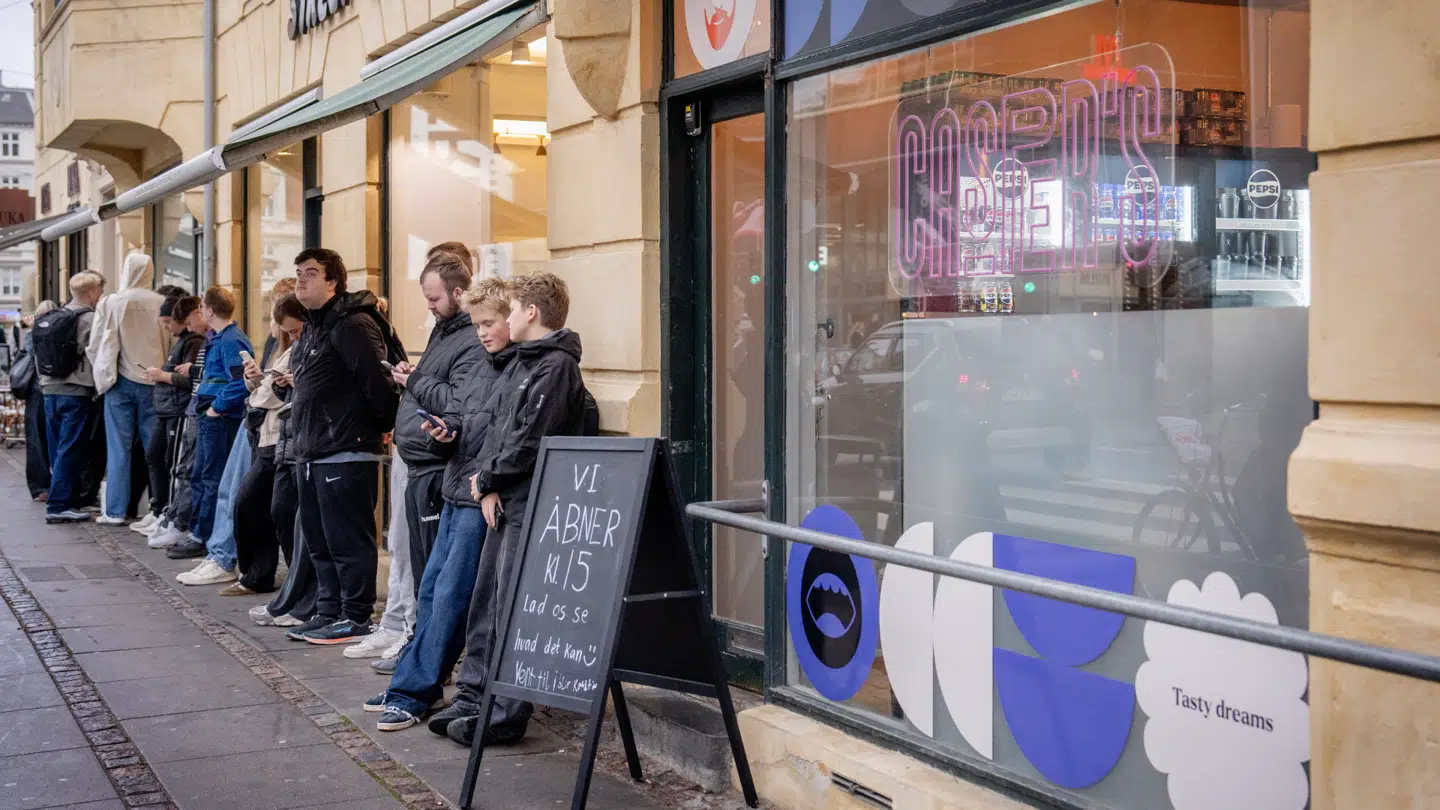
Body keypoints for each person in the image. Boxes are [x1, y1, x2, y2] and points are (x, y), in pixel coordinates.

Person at [435, 273, 587, 746]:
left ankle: (502, 715)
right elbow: (501, 431)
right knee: (487, 603)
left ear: (530, 313)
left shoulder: (555, 366)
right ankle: (473, 696)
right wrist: (487, 485)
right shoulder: (522, 362)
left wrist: (487, 478)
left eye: (513, 308)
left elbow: (530, 439)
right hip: (503, 499)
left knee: (512, 608)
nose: (504, 318)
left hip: (529, 502)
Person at [365, 277, 512, 730]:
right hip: (457, 483)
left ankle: (413, 692)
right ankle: (413, 684)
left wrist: (487, 477)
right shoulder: (483, 359)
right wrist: (448, 430)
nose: (482, 331)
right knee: (431, 592)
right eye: (478, 322)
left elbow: (511, 435)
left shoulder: (515, 366)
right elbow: (464, 415)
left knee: (448, 596)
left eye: (488, 323)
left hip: (476, 493)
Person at [285, 248, 404, 645]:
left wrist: (380, 426)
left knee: (347, 540)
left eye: (312, 273)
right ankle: (328, 610)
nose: (301, 279)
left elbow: (378, 383)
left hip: (345, 448)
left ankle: (355, 616)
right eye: (299, 272)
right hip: (312, 449)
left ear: (333, 282)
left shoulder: (352, 324)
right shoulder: (314, 326)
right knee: (319, 540)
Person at [166, 287, 252, 581]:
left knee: (213, 477)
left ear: (209, 310)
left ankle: (207, 537)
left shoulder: (229, 340)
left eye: (202, 306)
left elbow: (239, 381)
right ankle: (202, 533)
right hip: (212, 414)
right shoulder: (220, 339)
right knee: (203, 475)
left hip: (220, 417)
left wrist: (217, 407)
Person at [226, 294, 306, 595]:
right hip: (270, 433)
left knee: (262, 505)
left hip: (280, 436)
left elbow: (274, 392)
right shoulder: (283, 347)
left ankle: (267, 577)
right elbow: (268, 389)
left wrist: (265, 385)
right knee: (260, 507)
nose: (278, 327)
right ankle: (258, 574)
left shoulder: (298, 346)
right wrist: (258, 381)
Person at [87, 253, 167, 525]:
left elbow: (96, 344)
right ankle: (159, 510)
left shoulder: (111, 302)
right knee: (154, 449)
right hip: (155, 381)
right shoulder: (161, 302)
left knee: (118, 448)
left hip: (119, 381)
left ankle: (116, 511)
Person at [133, 295, 205, 538]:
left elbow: (190, 378)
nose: (165, 327)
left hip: (178, 409)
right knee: (156, 456)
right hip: (168, 408)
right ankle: (160, 509)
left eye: (167, 321)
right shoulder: (184, 341)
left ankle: (170, 514)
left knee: (174, 464)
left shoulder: (194, 342)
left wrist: (163, 376)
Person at [36, 272, 106, 524]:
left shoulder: (52, 317)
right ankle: (59, 505)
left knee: (57, 448)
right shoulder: (89, 319)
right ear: (90, 293)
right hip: (76, 391)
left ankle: (65, 497)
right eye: (99, 290)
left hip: (49, 389)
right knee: (71, 448)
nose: (101, 295)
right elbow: (97, 354)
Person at [19, 302, 55, 501]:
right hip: (38, 389)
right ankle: (41, 486)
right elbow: (32, 354)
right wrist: (31, 332)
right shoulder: (31, 332)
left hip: (48, 388)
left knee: (43, 438)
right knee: (37, 438)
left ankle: (49, 485)